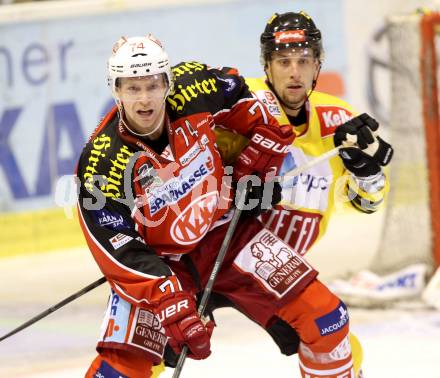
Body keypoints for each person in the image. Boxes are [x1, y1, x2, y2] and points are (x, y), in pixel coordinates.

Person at [77, 33, 361, 378]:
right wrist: (171, 302)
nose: (144, 99)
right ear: (115, 89)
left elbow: (255, 108)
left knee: (327, 320)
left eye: (153, 85)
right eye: (132, 88)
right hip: (164, 265)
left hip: (229, 235)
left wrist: (255, 169)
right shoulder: (101, 162)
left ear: (168, 82)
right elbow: (118, 250)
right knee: (119, 372)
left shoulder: (196, 87)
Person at [212, 10, 393, 378]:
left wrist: (366, 172)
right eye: (283, 61)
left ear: (317, 66)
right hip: (212, 250)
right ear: (267, 66)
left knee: (334, 337)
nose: (294, 72)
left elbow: (368, 203)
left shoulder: (338, 120)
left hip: (274, 266)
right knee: (148, 345)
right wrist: (228, 189)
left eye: (304, 60)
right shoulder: (237, 107)